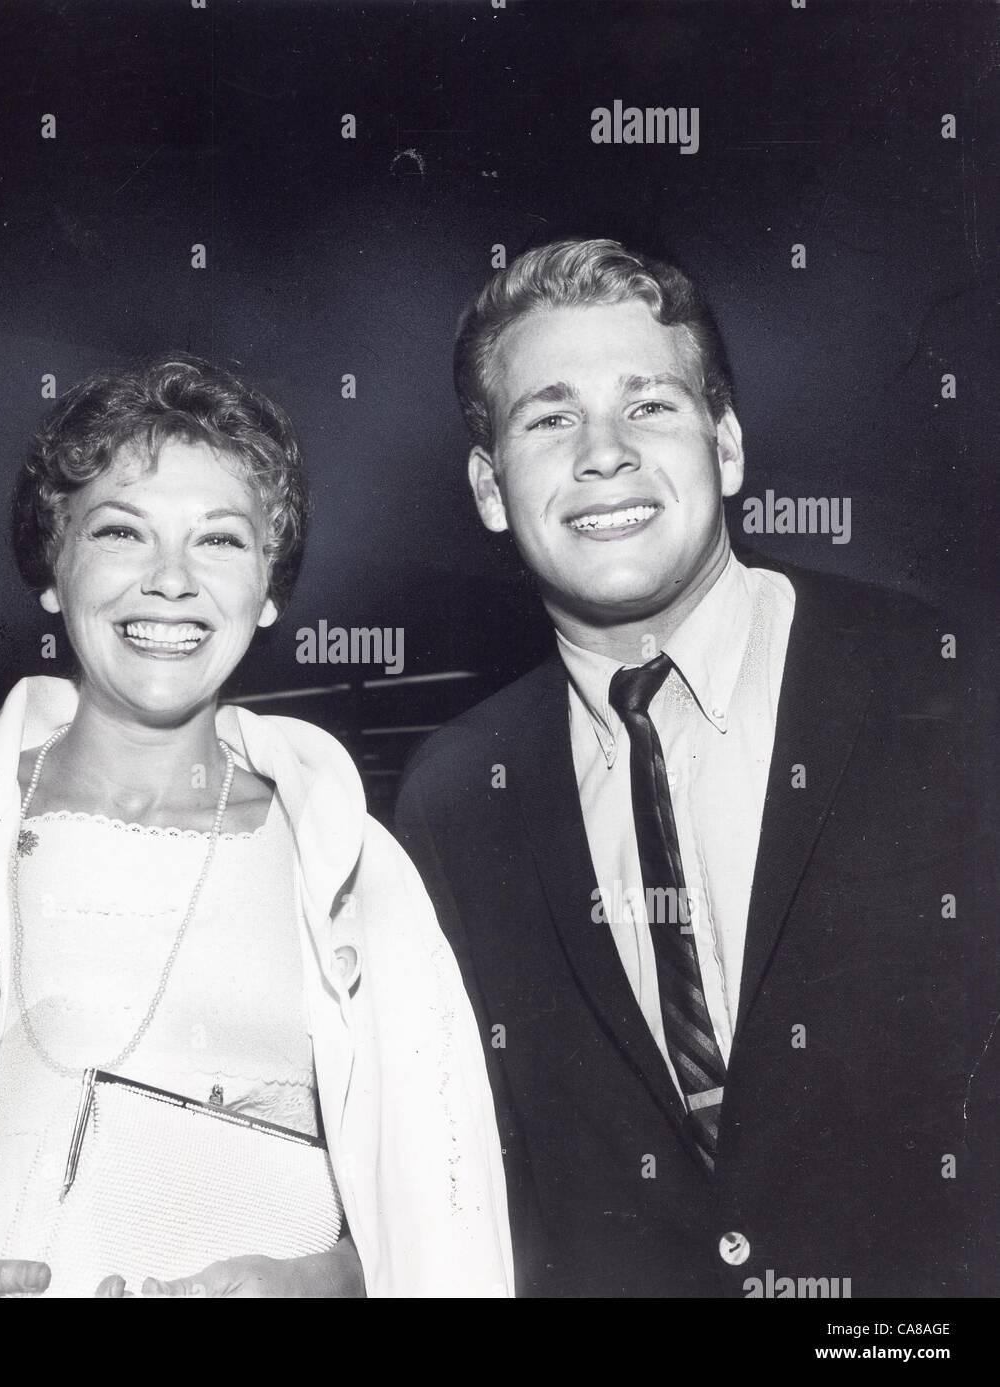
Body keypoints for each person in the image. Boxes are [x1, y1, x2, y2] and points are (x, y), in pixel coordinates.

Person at [0, 356, 513, 1298]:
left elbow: (438, 1230)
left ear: (271, 589)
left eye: (220, 541)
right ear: (54, 568)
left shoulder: (353, 871)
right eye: (122, 530)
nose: (171, 581)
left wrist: (323, 1282)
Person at [394, 238, 999, 1297]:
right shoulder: (453, 797)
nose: (603, 452)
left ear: (725, 448)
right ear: (490, 489)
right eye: (548, 418)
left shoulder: (949, 686)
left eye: (649, 406)